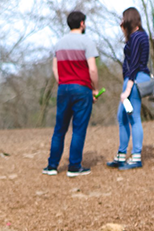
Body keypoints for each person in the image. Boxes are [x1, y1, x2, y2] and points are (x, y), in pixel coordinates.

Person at [43, 10, 100, 178]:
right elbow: (92, 69)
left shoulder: (59, 43)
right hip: (82, 88)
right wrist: (95, 89)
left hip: (63, 88)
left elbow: (55, 68)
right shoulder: (87, 42)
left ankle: (51, 166)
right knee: (78, 129)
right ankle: (74, 167)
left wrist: (63, 82)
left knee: (59, 129)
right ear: (82, 23)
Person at [107, 7, 151, 171]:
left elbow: (134, 65)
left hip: (134, 81)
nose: (120, 23)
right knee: (122, 117)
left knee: (133, 117)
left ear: (129, 20)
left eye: (123, 19)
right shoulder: (137, 36)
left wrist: (127, 89)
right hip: (131, 80)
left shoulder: (138, 36)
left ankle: (136, 156)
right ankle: (121, 155)